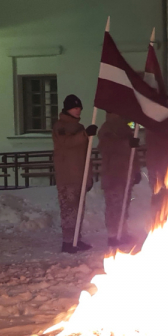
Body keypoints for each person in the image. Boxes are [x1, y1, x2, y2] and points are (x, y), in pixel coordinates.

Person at [51, 94, 96, 253]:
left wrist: (89, 176)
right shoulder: (60, 126)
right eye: (75, 108)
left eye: (79, 108)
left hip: (80, 177)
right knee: (69, 210)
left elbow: (86, 155)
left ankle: (76, 239)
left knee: (78, 211)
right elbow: (66, 143)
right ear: (67, 108)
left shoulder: (79, 128)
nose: (78, 111)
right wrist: (85, 135)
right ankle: (68, 242)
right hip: (67, 177)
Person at [98, 113, 140, 248]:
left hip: (125, 173)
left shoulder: (126, 128)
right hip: (113, 174)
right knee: (114, 205)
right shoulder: (107, 129)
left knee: (123, 205)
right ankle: (113, 234)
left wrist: (136, 170)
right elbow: (107, 147)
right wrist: (126, 143)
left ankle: (122, 232)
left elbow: (133, 154)